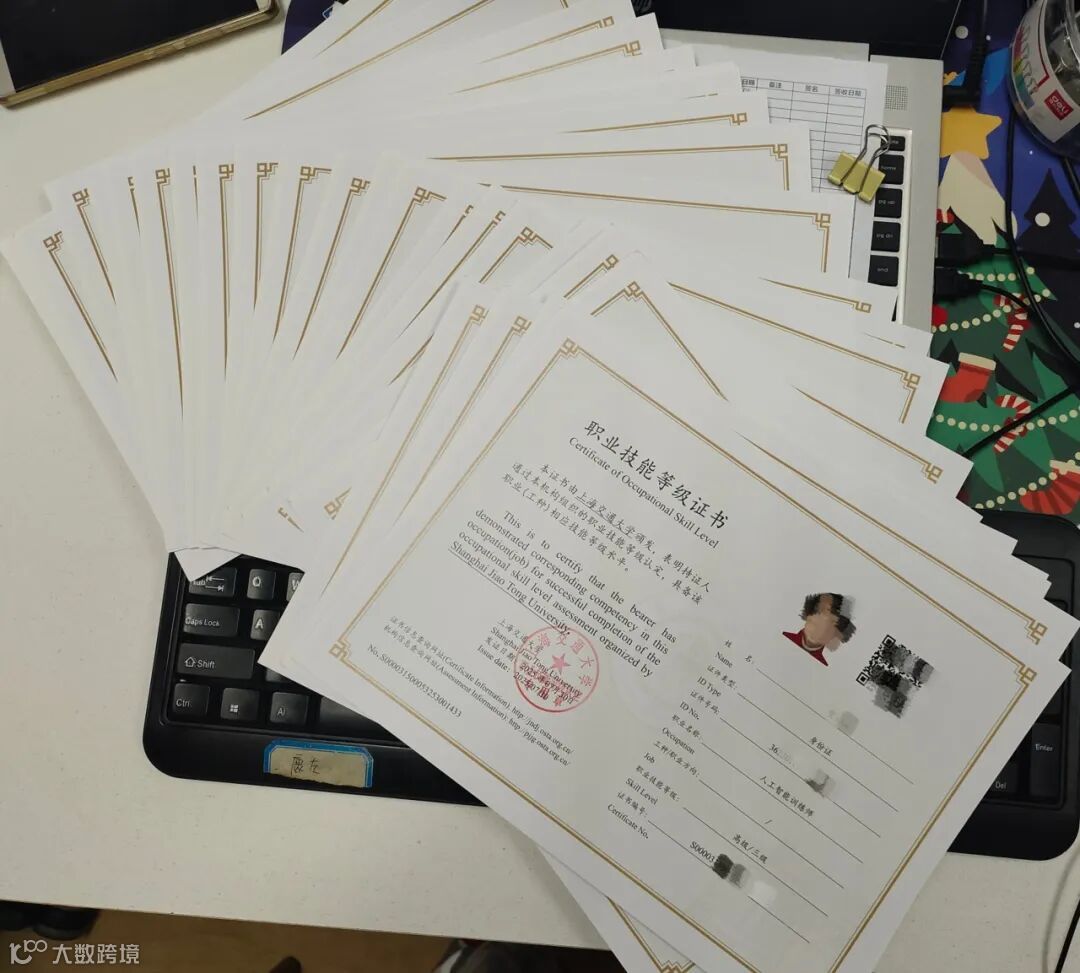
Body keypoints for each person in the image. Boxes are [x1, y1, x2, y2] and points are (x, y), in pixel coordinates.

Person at [782, 593, 855, 666]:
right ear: (808, 617)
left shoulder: (826, 663)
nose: (817, 632)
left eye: (826, 629)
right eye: (814, 623)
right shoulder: (784, 637)